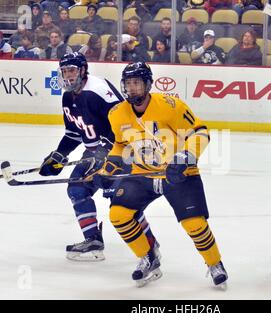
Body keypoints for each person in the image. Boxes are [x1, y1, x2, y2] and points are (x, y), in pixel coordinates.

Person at [92, 62, 228, 288]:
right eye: (128, 84)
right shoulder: (116, 113)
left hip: (178, 173)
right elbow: (119, 144)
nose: (132, 88)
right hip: (142, 174)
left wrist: (184, 157)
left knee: (194, 224)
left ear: (147, 84)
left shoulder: (169, 106)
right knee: (118, 214)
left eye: (136, 83)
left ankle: (215, 263)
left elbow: (200, 132)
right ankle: (148, 257)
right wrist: (108, 169)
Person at [38, 52, 158, 261]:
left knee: (121, 201)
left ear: (83, 70)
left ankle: (150, 245)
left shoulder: (98, 90)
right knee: (77, 189)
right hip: (94, 154)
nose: (67, 76)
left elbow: (126, 122)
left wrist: (106, 152)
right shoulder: (67, 96)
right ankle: (93, 240)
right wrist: (60, 154)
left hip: (122, 152)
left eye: (72, 70)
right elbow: (75, 132)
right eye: (64, 71)